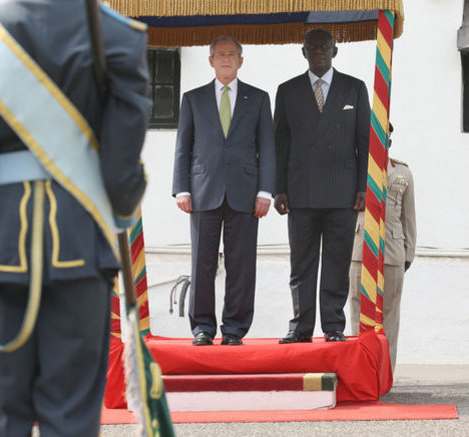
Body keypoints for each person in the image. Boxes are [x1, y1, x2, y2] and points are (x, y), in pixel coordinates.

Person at [0, 0, 150, 436]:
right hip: (80, 257)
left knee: (2, 422)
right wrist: (125, 199)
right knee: (70, 419)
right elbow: (119, 175)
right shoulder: (120, 37)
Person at [172, 36, 275, 346]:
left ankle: (234, 329)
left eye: (232, 55)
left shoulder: (257, 98)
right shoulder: (193, 98)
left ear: (240, 61)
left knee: (241, 264)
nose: (226, 59)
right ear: (211, 60)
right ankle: (202, 327)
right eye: (220, 54)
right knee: (201, 263)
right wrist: (181, 189)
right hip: (203, 192)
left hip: (246, 194)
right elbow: (183, 147)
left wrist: (266, 191)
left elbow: (267, 148)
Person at [274, 28, 371, 343]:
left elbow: (364, 141)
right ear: (303, 52)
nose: (318, 51)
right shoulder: (287, 90)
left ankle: (333, 326)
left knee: (337, 260)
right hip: (300, 191)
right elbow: (280, 144)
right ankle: (300, 326)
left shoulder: (354, 89)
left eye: (324, 47)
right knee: (301, 263)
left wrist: (362, 186)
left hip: (343, 191)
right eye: (312, 47)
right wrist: (279, 189)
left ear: (335, 51)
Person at [349, 123, 416, 371]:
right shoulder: (355, 169)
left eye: (384, 138)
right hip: (358, 249)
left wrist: (408, 254)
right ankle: (361, 372)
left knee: (389, 318)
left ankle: (385, 374)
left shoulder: (403, 173)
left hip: (392, 251)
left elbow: (408, 217)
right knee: (358, 314)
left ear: (389, 141)